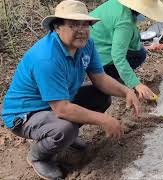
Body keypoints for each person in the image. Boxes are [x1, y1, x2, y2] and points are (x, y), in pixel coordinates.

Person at [1, 0, 140, 179]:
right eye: (74, 24)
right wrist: (105, 120)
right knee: (65, 128)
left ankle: (63, 137)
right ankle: (38, 156)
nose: (81, 30)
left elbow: (100, 78)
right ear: (57, 27)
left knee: (101, 97)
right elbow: (62, 109)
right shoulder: (46, 58)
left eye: (85, 24)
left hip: (55, 102)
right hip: (25, 114)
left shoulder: (86, 45)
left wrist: (127, 91)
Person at [89, 0, 163, 100]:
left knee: (139, 50)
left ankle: (116, 74)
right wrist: (136, 84)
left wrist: (146, 46)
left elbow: (123, 38)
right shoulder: (125, 22)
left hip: (92, 44)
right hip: (97, 56)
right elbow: (118, 56)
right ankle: (108, 74)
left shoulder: (116, 3)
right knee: (139, 55)